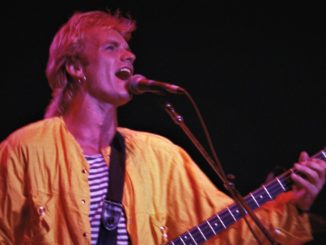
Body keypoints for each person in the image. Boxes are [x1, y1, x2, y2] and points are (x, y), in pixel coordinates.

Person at [0, 10, 325, 245]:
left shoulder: (160, 155)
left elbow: (233, 230)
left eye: (128, 49)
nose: (129, 55)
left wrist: (294, 205)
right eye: (111, 48)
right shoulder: (25, 149)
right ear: (75, 67)